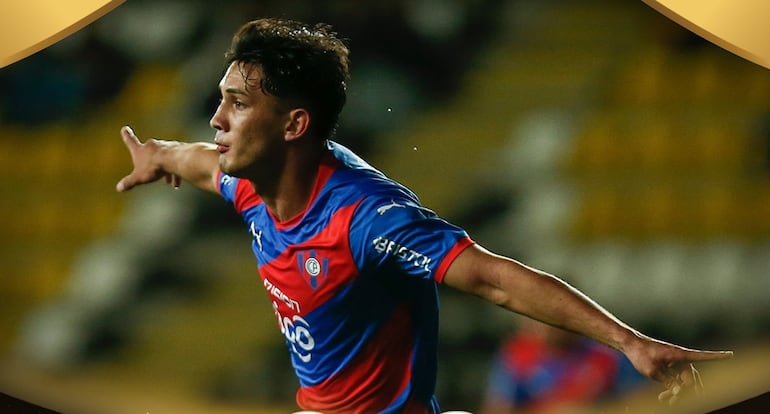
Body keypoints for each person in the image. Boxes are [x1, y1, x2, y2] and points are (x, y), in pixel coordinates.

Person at [115, 18, 732, 414]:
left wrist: (630, 342)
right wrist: (156, 156)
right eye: (220, 100)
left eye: (237, 103)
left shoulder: (365, 220)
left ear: (294, 125)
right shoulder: (248, 179)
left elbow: (493, 279)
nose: (216, 119)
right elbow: (194, 159)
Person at [480, 317, 649, 414]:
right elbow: (497, 409)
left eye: (548, 314)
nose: (542, 324)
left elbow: (640, 403)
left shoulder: (607, 354)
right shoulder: (516, 355)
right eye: (534, 314)